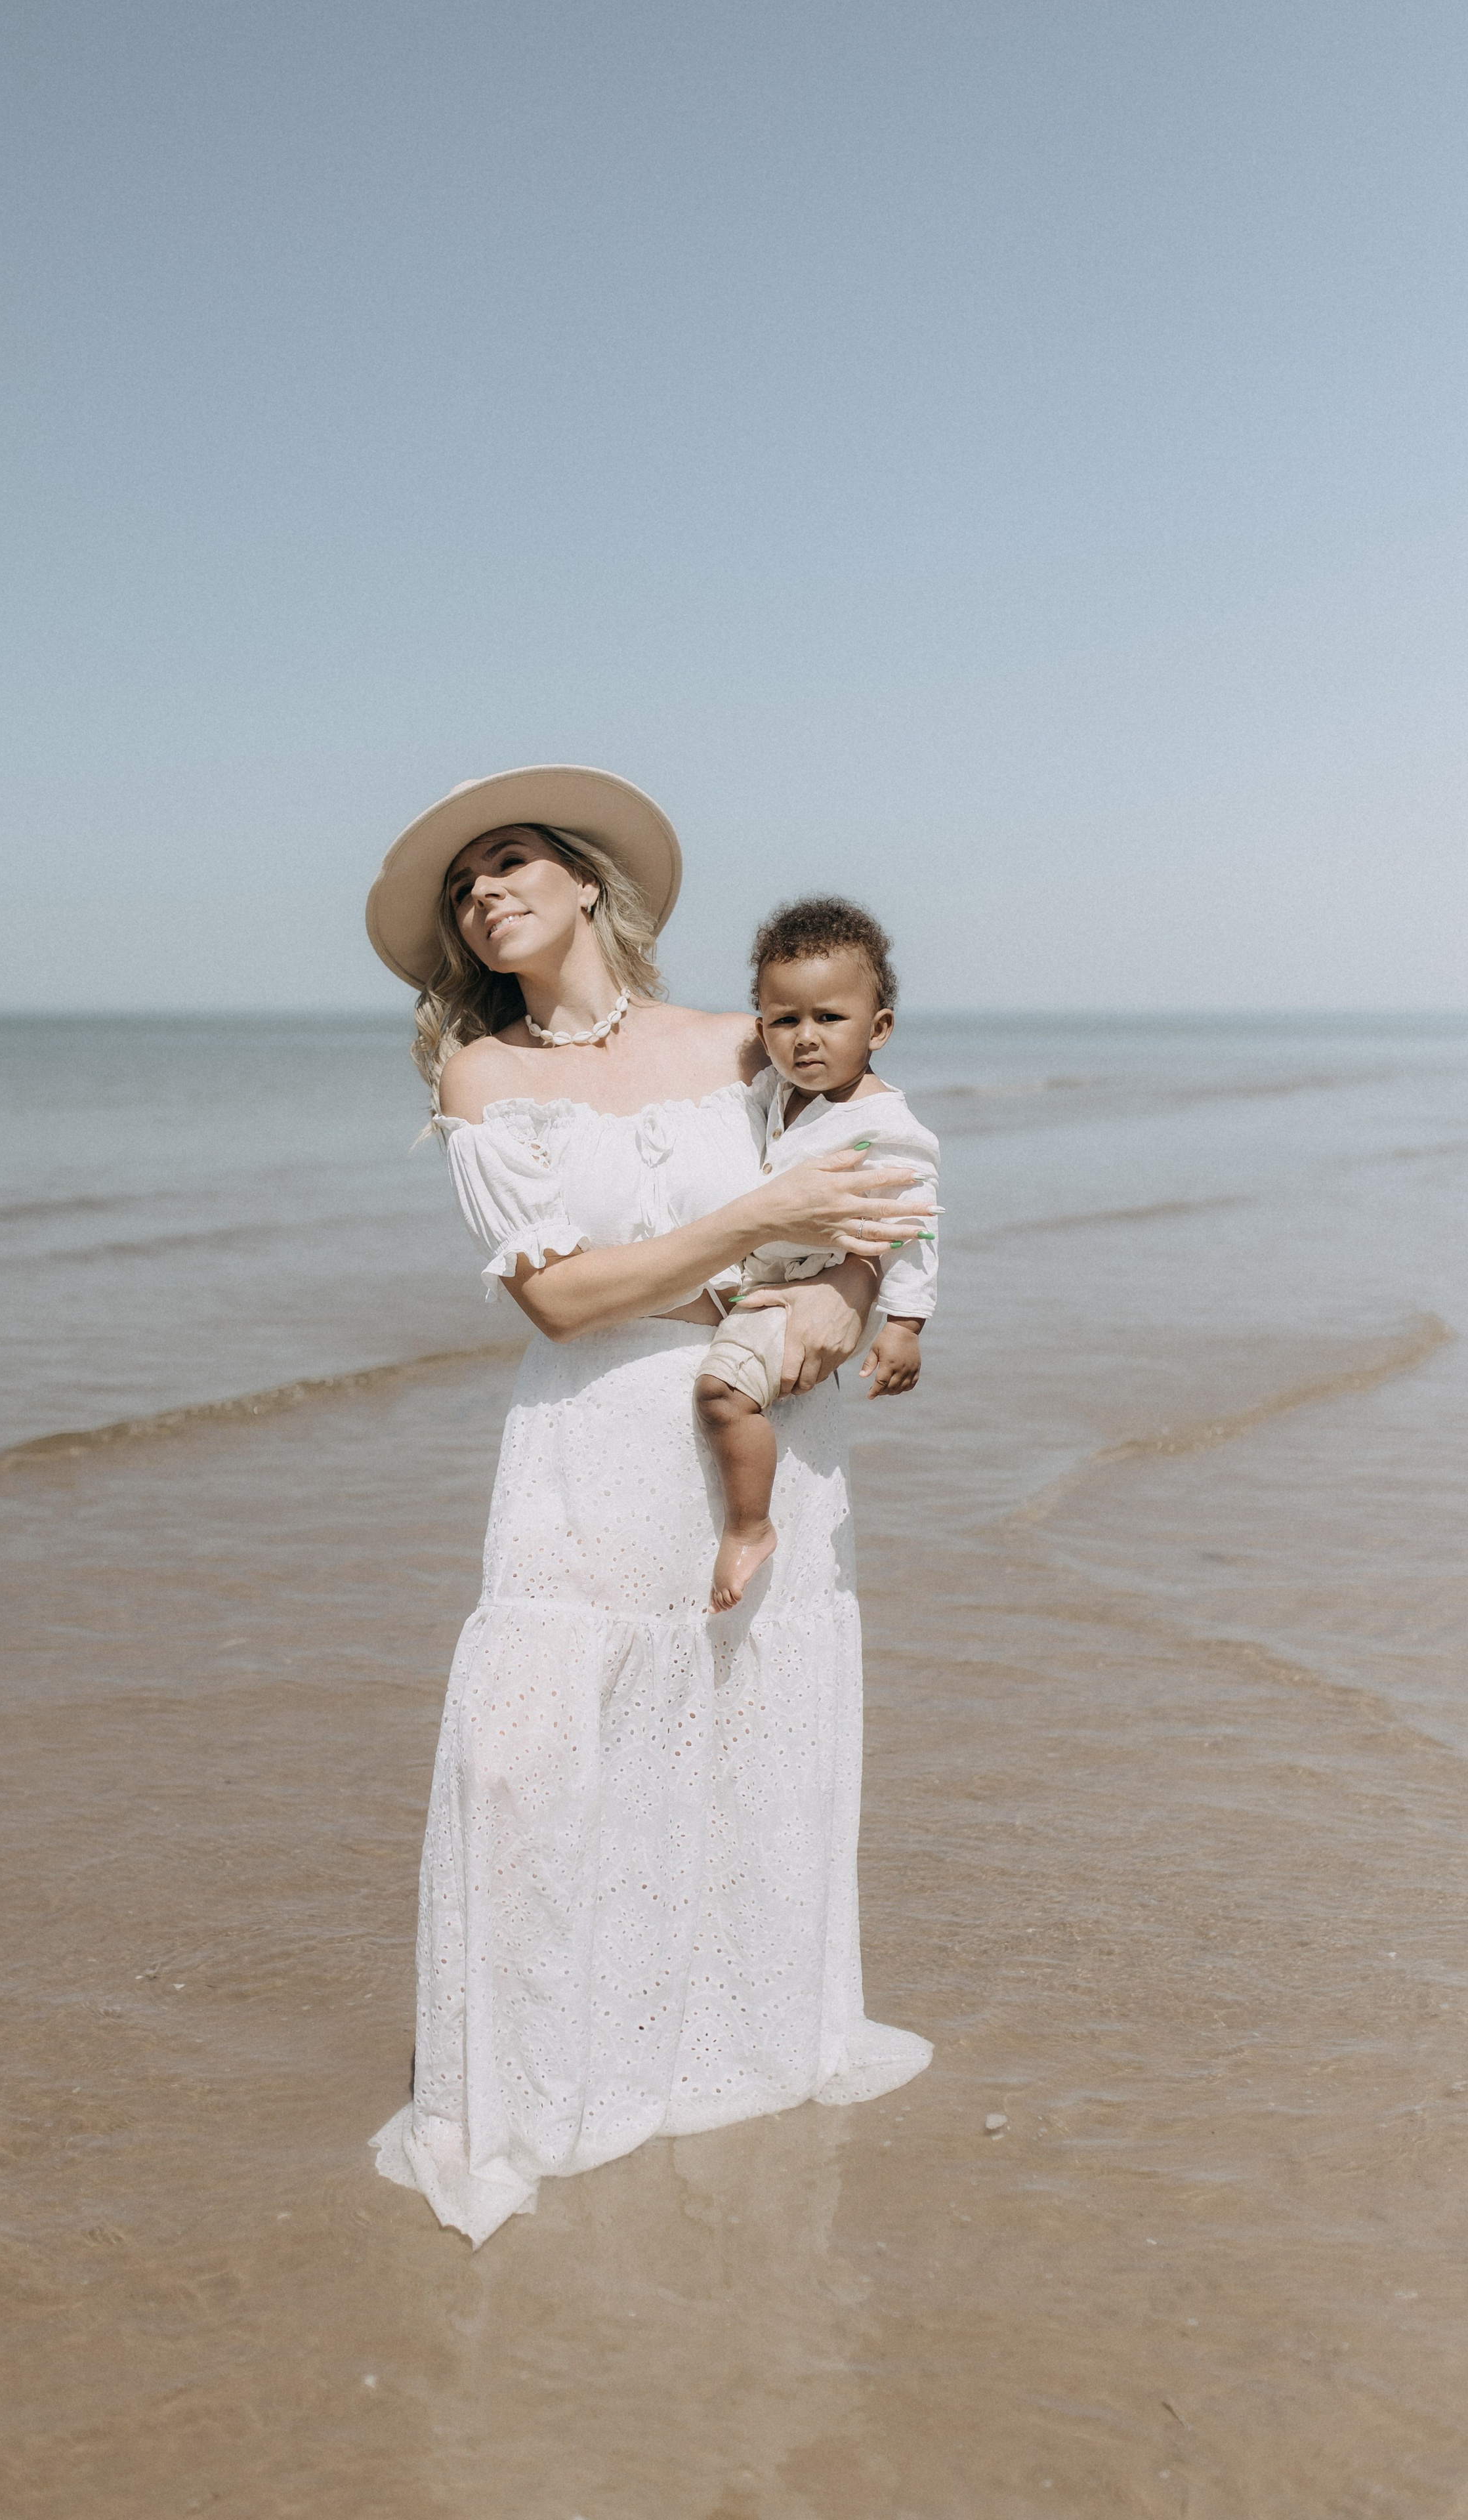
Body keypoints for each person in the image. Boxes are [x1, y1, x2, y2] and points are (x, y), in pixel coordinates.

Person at [363, 765, 935, 2247]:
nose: (483, 891)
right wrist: (751, 1229)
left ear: (580, 879)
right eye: (460, 885)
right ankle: (542, 2078)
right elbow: (560, 1300)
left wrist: (852, 1291)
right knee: (531, 1753)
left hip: (762, 1427)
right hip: (589, 1440)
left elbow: (875, 1163)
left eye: (505, 861)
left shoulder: (743, 1038)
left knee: (739, 1730)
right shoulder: (482, 1077)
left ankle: (730, 2040)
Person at [696, 894, 941, 1610]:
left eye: (829, 1019)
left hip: (811, 1285)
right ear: (761, 1027)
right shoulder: (778, 1091)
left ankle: (749, 1527)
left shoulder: (884, 1125)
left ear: (879, 1027)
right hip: (761, 1277)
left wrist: (904, 1325)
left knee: (720, 1396)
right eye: (785, 1020)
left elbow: (915, 1227)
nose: (806, 1038)